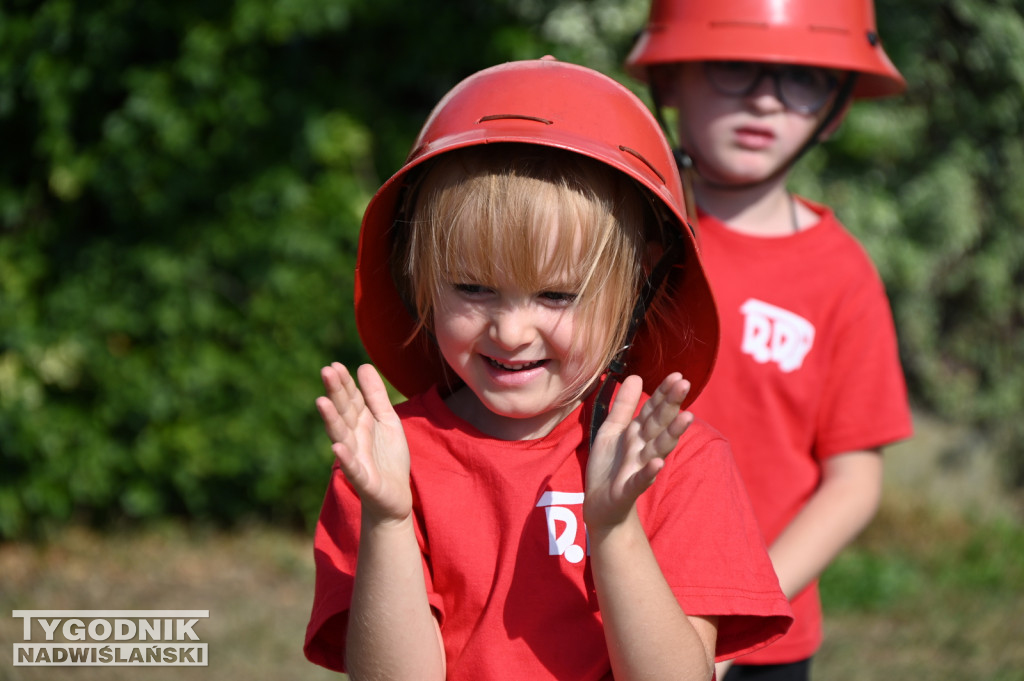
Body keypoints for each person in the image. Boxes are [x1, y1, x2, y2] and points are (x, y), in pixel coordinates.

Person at [303, 56, 792, 681]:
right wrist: (390, 519)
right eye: (472, 288)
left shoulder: (676, 466)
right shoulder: (386, 465)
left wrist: (614, 529)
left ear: (639, 280)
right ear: (418, 274)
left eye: (557, 296)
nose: (510, 331)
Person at [625, 2, 914, 680]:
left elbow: (854, 478)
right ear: (668, 79)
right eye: (732, 64)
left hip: (760, 641)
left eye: (803, 77)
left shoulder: (842, 276)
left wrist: (734, 611)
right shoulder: (614, 237)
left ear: (837, 106)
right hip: (597, 608)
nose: (765, 97)